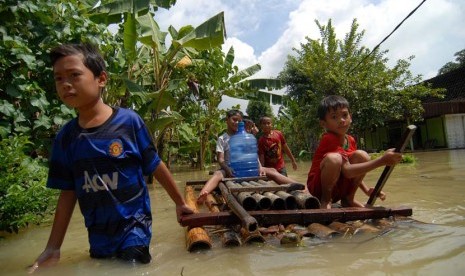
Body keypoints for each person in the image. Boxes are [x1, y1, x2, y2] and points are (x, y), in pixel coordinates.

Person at [29, 43, 193, 271]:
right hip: (98, 233)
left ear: (101, 79)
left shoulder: (128, 122)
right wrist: (53, 247)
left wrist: (180, 203)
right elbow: (67, 193)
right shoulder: (66, 138)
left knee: (130, 268)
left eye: (75, 75)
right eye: (58, 78)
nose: (65, 84)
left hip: (134, 228)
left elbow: (155, 164)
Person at [307, 95, 401, 209]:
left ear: (350, 117)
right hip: (318, 189)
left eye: (345, 115)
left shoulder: (350, 139)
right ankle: (326, 201)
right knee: (334, 159)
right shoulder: (329, 138)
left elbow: (352, 168)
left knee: (361, 155)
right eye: (334, 117)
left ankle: (348, 198)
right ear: (323, 123)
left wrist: (366, 190)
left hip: (337, 186)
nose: (341, 120)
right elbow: (347, 171)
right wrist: (382, 160)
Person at [197, 110, 302, 204]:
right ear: (227, 120)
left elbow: (252, 155)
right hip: (231, 169)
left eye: (239, 121)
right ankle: (203, 194)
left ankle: (298, 185)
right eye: (234, 120)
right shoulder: (223, 138)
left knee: (272, 170)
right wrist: (227, 169)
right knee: (217, 174)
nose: (237, 123)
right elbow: (220, 159)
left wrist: (260, 167)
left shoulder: (246, 136)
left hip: (248, 168)